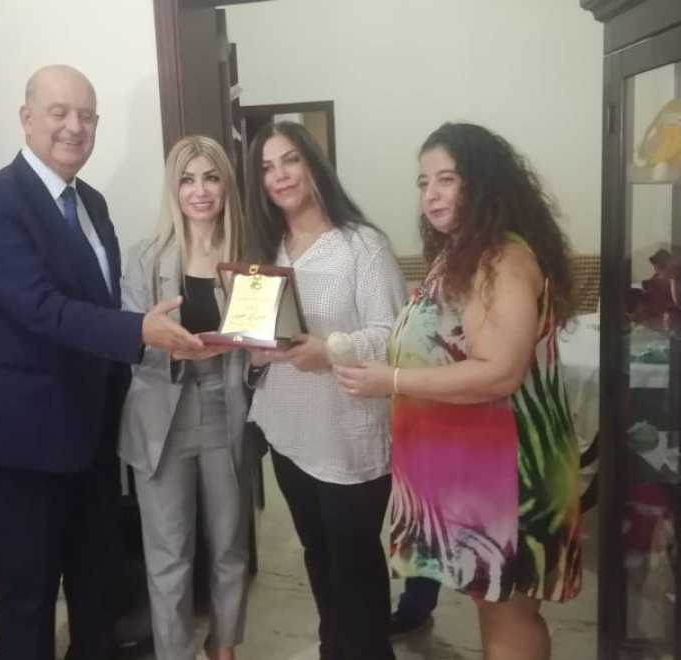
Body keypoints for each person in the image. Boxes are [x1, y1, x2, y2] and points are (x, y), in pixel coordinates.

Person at [0, 65, 201, 660]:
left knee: (97, 588)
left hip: (92, 434)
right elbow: (38, 307)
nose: (74, 127)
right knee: (29, 600)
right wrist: (138, 330)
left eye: (86, 116)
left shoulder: (92, 202)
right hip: (22, 442)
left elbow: (101, 302)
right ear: (26, 118)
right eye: (59, 112)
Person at [335, 122, 582, 660]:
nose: (431, 194)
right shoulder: (464, 254)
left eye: (447, 179)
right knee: (493, 606)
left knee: (509, 613)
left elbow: (498, 372)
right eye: (424, 182)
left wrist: (390, 380)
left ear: (484, 182)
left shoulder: (503, 259)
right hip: (476, 472)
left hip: (510, 473)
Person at [243, 122, 406, 660]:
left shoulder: (361, 245)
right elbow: (265, 335)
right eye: (267, 168)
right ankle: (334, 647)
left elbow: (393, 337)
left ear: (314, 164)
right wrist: (254, 347)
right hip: (289, 434)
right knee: (317, 555)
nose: (280, 176)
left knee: (355, 565)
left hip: (349, 437)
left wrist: (331, 349)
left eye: (290, 160)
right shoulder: (268, 249)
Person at [119, 136, 255, 660]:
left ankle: (224, 648)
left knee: (229, 546)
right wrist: (165, 346)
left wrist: (258, 349)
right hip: (163, 417)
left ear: (226, 185)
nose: (200, 191)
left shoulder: (248, 261)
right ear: (173, 189)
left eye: (211, 177)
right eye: (188, 179)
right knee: (168, 552)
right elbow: (129, 340)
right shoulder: (144, 259)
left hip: (225, 408)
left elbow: (262, 343)